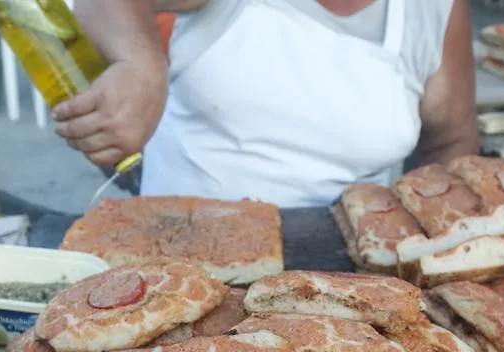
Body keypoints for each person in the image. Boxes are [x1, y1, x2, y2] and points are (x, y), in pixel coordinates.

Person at [53, 0, 479, 208]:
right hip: (174, 257)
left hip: (346, 289)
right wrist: (140, 62)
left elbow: (450, 144)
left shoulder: (432, 11)